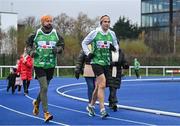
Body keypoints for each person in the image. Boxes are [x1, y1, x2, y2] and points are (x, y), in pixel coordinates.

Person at [26, 15, 64, 122]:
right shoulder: (36, 33)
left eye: (51, 21)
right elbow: (28, 45)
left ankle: (37, 102)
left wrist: (58, 49)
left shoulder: (56, 34)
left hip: (51, 65)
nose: (49, 23)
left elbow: (62, 45)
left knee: (44, 88)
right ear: (42, 22)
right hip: (39, 65)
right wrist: (31, 52)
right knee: (45, 88)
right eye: (47, 21)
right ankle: (46, 113)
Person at [81, 15, 119, 119]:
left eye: (108, 21)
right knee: (102, 84)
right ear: (101, 23)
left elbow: (116, 46)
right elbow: (84, 43)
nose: (107, 23)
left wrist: (114, 49)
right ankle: (102, 109)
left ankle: (90, 106)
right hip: (96, 62)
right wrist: (88, 53)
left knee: (98, 86)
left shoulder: (112, 34)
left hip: (106, 63)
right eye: (105, 21)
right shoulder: (95, 33)